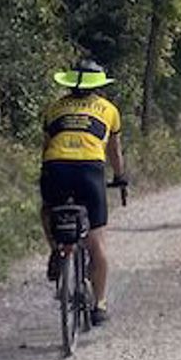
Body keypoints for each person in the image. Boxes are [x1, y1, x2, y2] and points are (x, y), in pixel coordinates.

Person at [39, 59, 127, 325]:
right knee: (97, 242)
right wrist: (120, 176)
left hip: (56, 166)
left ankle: (55, 248)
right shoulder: (109, 110)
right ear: (97, 85)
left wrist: (47, 172)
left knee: (48, 209)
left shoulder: (54, 108)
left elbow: (46, 146)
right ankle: (99, 305)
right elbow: (114, 150)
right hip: (90, 170)